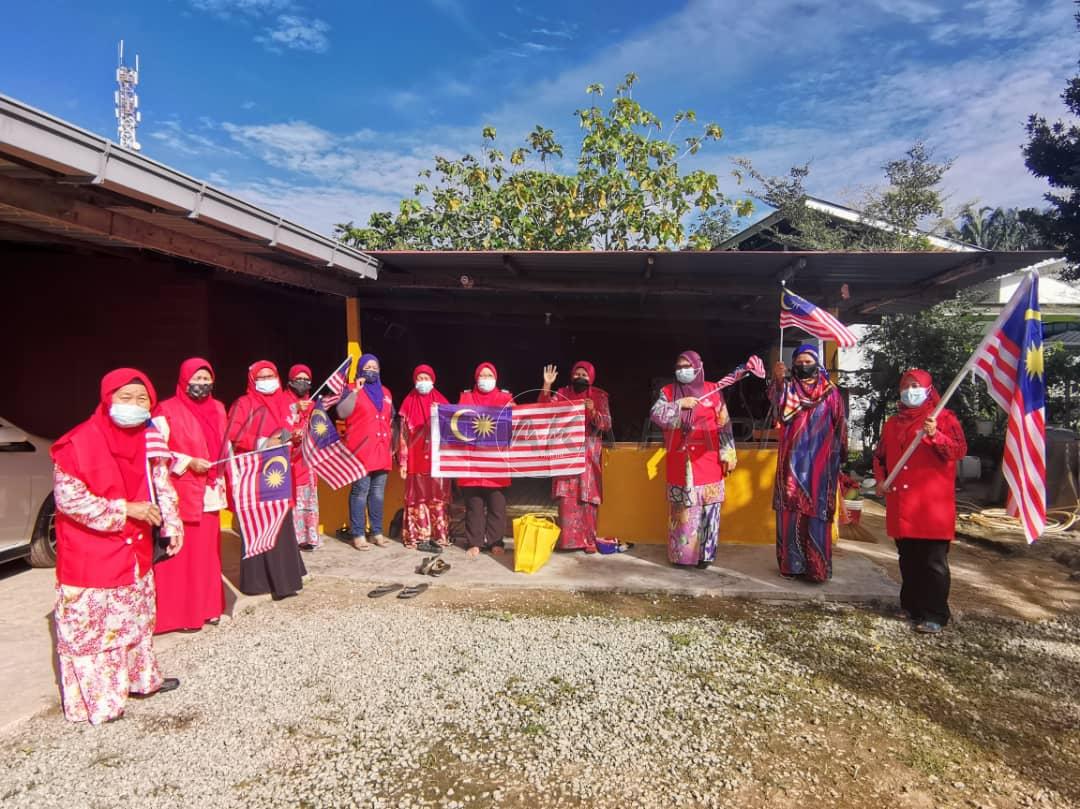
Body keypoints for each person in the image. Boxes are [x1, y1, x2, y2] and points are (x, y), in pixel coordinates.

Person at [50, 368, 183, 724]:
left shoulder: (149, 437)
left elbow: (161, 482)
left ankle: (141, 680)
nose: (134, 405)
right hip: (92, 551)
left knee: (136, 619)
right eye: (126, 397)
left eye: (143, 399)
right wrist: (125, 510)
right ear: (108, 398)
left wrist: (171, 524)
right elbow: (69, 500)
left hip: (135, 550)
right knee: (94, 630)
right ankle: (100, 701)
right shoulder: (78, 442)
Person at [873, 369, 967, 634]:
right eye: (906, 385)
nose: (910, 390)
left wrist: (936, 434)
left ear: (928, 389)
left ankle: (935, 612)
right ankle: (911, 606)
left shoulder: (943, 418)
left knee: (933, 562)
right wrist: (880, 480)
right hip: (901, 504)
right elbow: (880, 457)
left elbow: (958, 451)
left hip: (931, 506)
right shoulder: (893, 423)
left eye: (916, 385)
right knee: (908, 558)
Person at [152, 358, 227, 633]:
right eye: (197, 379)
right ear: (184, 380)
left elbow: (225, 442)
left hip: (210, 489)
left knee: (208, 553)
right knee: (182, 555)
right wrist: (188, 462)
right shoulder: (166, 410)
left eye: (207, 379)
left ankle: (209, 608)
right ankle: (181, 615)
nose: (202, 385)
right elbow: (156, 452)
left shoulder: (219, 408)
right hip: (182, 491)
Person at [226, 361, 306, 598]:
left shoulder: (285, 402)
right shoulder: (244, 403)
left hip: (280, 472)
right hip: (256, 473)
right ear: (252, 380)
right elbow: (232, 433)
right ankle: (258, 582)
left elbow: (291, 428)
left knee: (282, 522)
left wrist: (296, 437)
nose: (266, 379)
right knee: (260, 524)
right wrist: (262, 442)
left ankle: (285, 581)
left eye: (270, 375)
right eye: (261, 377)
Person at [649, 351, 737, 567]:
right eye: (679, 366)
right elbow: (656, 415)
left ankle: (705, 557)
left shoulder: (713, 391)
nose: (682, 370)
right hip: (680, 460)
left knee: (709, 509)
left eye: (687, 365)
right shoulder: (668, 391)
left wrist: (729, 454)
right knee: (682, 512)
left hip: (708, 461)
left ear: (698, 366)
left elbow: (724, 423)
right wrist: (679, 404)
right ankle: (682, 557)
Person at [770, 344, 847, 582]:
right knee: (791, 511)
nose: (804, 366)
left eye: (808, 361)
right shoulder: (789, 388)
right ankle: (791, 566)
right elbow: (776, 405)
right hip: (792, 464)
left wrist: (840, 456)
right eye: (799, 362)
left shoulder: (831, 392)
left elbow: (840, 425)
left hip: (821, 466)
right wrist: (779, 380)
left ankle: (816, 568)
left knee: (817, 513)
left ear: (817, 362)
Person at [539, 361, 612, 553]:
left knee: (587, 496)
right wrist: (547, 385)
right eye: (577, 373)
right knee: (567, 496)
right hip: (566, 451)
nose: (580, 377)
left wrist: (593, 411)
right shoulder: (562, 393)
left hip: (589, 453)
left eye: (585, 374)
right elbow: (544, 411)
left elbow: (606, 424)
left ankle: (589, 540)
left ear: (591, 377)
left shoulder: (599, 396)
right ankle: (568, 541)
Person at [339, 353, 394, 550]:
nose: (371, 369)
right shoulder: (351, 389)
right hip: (360, 451)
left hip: (381, 450)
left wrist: (393, 444)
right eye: (367, 366)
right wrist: (355, 391)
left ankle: (376, 532)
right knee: (360, 492)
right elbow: (342, 412)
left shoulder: (386, 392)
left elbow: (391, 418)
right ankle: (358, 534)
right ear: (360, 369)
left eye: (375, 367)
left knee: (378, 493)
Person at [459, 362, 513, 559]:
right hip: (471, 462)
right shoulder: (465, 397)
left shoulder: (505, 398)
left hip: (496, 462)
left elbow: (519, 421)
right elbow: (454, 423)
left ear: (496, 377)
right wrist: (438, 410)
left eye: (489, 375)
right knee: (474, 506)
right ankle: (474, 542)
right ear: (476, 377)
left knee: (497, 505)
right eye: (482, 375)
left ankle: (495, 541)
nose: (485, 378)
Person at [397, 364, 451, 551]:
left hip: (437, 460)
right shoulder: (408, 402)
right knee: (416, 498)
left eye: (426, 378)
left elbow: (452, 431)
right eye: (419, 379)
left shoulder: (442, 401)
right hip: (415, 458)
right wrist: (402, 462)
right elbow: (403, 435)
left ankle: (439, 536)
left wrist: (441, 414)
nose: (423, 382)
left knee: (437, 498)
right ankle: (416, 537)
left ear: (433, 380)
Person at [285, 364, 320, 551]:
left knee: (308, 499)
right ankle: (293, 539)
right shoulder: (283, 402)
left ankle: (308, 537)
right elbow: (279, 427)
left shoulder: (313, 404)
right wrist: (294, 410)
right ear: (290, 381)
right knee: (293, 499)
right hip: (290, 460)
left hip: (308, 461)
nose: (303, 383)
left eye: (306, 379)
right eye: (298, 379)